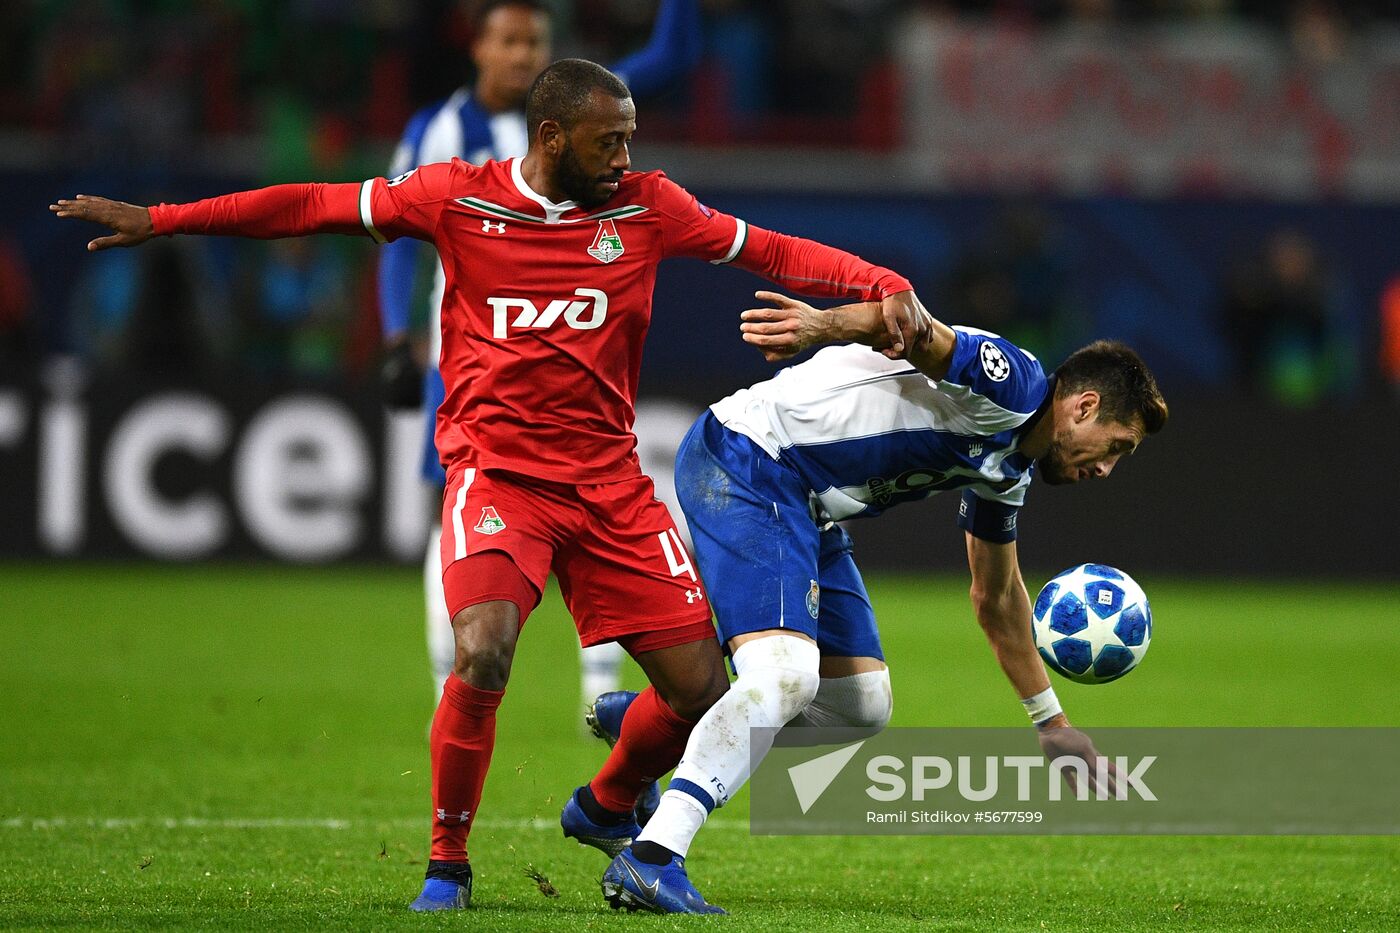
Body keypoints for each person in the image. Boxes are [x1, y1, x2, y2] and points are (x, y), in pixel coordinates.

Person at [51, 59, 931, 913]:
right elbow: (313, 206)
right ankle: (447, 863)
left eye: (629, 139)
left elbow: (772, 249)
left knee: (703, 690)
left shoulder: (648, 207)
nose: (626, 158)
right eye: (609, 142)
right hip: (499, 473)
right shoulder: (453, 196)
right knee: (482, 649)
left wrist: (884, 288)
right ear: (552, 136)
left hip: (609, 484)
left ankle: (607, 802)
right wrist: (166, 219)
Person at [600, 291, 1168, 914]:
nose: (1108, 469)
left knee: (860, 706)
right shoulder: (1017, 386)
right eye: (1116, 445)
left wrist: (1052, 724)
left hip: (807, 505)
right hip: (752, 458)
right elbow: (909, 324)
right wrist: (821, 324)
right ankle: (653, 858)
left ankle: (658, 732)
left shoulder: (1008, 469)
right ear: (1083, 407)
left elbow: (998, 596)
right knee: (786, 678)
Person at [378, 0, 702, 709]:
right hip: (470, 358)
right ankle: (450, 681)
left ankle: (600, 689)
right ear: (480, 48)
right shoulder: (437, 132)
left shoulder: (585, 107)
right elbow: (396, 233)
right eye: (511, 41)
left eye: (536, 42)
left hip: (577, 347)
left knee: (594, 504)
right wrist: (397, 336)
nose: (524, 55)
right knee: (458, 514)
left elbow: (674, 55)